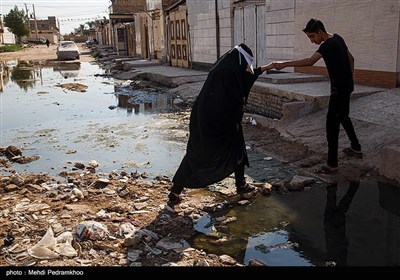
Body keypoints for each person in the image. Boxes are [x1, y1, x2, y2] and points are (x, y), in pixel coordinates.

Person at [168, 43, 274, 206]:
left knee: (195, 152)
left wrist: (268, 67)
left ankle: (175, 192)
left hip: (202, 117)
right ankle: (241, 186)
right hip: (223, 119)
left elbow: (248, 75)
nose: (247, 66)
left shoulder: (222, 68)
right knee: (237, 148)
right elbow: (247, 78)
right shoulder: (233, 72)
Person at [274, 18, 362, 174]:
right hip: (347, 87)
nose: (312, 41)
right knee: (343, 116)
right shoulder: (338, 38)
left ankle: (332, 164)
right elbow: (351, 58)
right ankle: (356, 147)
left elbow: (310, 61)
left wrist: (285, 64)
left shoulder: (327, 45)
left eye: (312, 37)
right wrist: (350, 79)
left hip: (338, 90)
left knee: (331, 125)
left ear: (320, 32)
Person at [324, 181, 359, 266]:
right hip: (335, 237)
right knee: (339, 212)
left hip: (332, 236)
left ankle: (334, 188)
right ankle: (352, 187)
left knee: (332, 211)